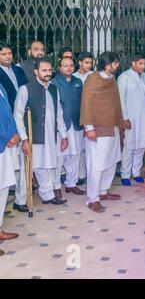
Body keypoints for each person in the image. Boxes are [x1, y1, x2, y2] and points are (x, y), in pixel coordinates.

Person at [14, 58, 68, 205]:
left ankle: (47, 195)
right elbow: (18, 116)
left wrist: (64, 135)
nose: (47, 73)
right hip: (32, 136)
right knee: (28, 169)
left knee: (46, 166)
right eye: (44, 70)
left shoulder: (53, 89)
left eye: (50, 70)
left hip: (49, 136)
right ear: (36, 72)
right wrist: (24, 139)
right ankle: (20, 201)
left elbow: (59, 114)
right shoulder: (25, 89)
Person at [80, 51, 124, 213]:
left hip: (112, 126)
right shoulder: (92, 80)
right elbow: (86, 104)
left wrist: (120, 122)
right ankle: (93, 199)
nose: (117, 65)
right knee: (96, 165)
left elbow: (115, 104)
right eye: (115, 63)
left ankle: (104, 191)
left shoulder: (111, 79)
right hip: (97, 129)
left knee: (111, 161)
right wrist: (89, 128)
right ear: (107, 65)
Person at [0, 42, 29, 212]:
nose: (8, 56)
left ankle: (20, 197)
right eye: (4, 54)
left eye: (10, 53)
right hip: (5, 133)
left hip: (19, 121)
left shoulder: (18, 71)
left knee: (20, 162)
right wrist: (8, 134)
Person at [51, 57, 85, 196]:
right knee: (60, 156)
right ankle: (56, 186)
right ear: (59, 67)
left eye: (71, 65)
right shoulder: (54, 83)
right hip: (61, 124)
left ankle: (71, 183)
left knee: (75, 154)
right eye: (65, 66)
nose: (69, 68)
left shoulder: (78, 82)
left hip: (76, 124)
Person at [117, 53, 145, 185]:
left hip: (143, 117)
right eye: (140, 63)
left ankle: (136, 172)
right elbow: (121, 98)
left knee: (140, 146)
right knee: (129, 146)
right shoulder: (124, 77)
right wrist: (124, 118)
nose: (143, 66)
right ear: (133, 63)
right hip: (130, 118)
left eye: (144, 63)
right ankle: (125, 174)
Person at [0, 81, 20, 256]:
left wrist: (14, 133)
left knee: (4, 186)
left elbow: (8, 112)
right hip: (2, 140)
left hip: (5, 145)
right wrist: (8, 135)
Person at [73, 52, 94, 185]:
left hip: (91, 115)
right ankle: (81, 175)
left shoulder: (94, 76)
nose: (89, 65)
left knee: (90, 148)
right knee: (79, 148)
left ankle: (91, 174)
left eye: (91, 63)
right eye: (86, 62)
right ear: (79, 62)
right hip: (76, 116)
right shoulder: (74, 77)